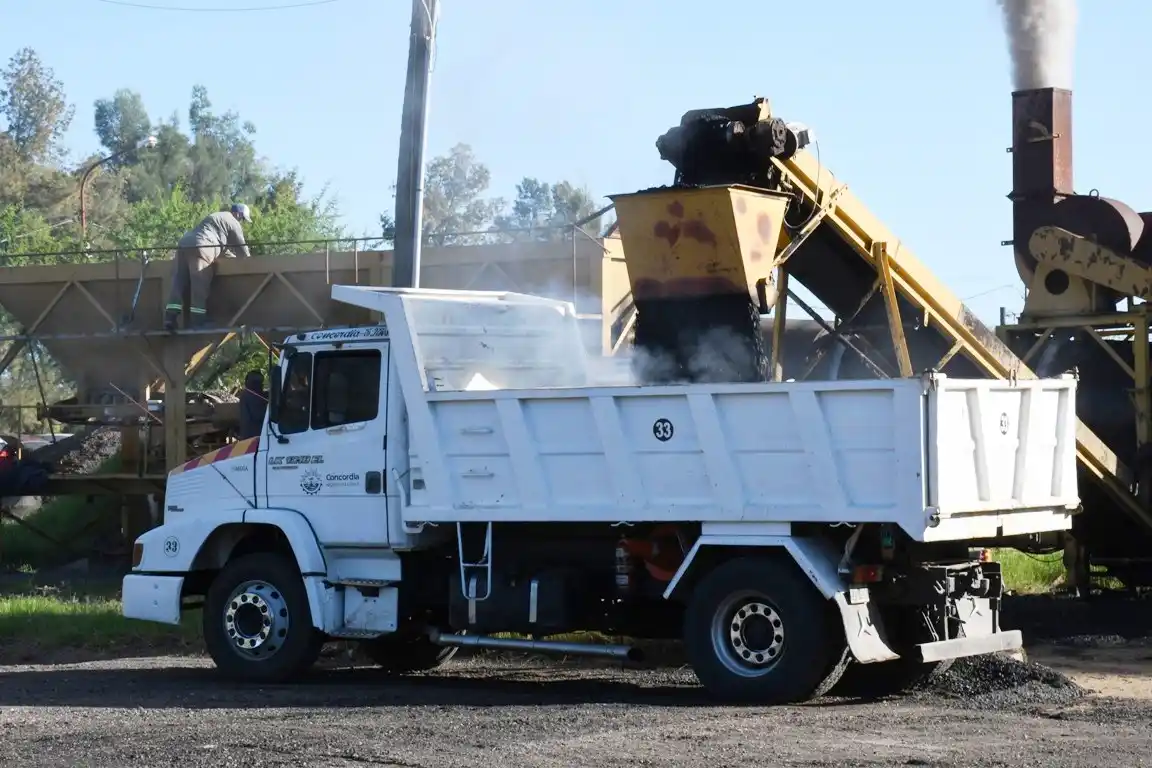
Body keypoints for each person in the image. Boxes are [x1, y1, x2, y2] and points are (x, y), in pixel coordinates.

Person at [164, 203, 253, 331]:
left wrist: (231, 257)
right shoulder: (233, 222)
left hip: (185, 243)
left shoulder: (217, 218)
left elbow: (220, 248)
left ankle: (170, 318)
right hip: (202, 246)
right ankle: (197, 321)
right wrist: (250, 262)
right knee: (199, 284)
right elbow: (242, 249)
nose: (242, 222)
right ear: (238, 214)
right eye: (243, 219)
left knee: (179, 282)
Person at [237, 369, 268, 440]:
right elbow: (260, 415)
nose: (262, 386)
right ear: (255, 384)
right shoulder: (250, 396)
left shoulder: (247, 394)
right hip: (254, 437)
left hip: (251, 436)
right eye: (260, 383)